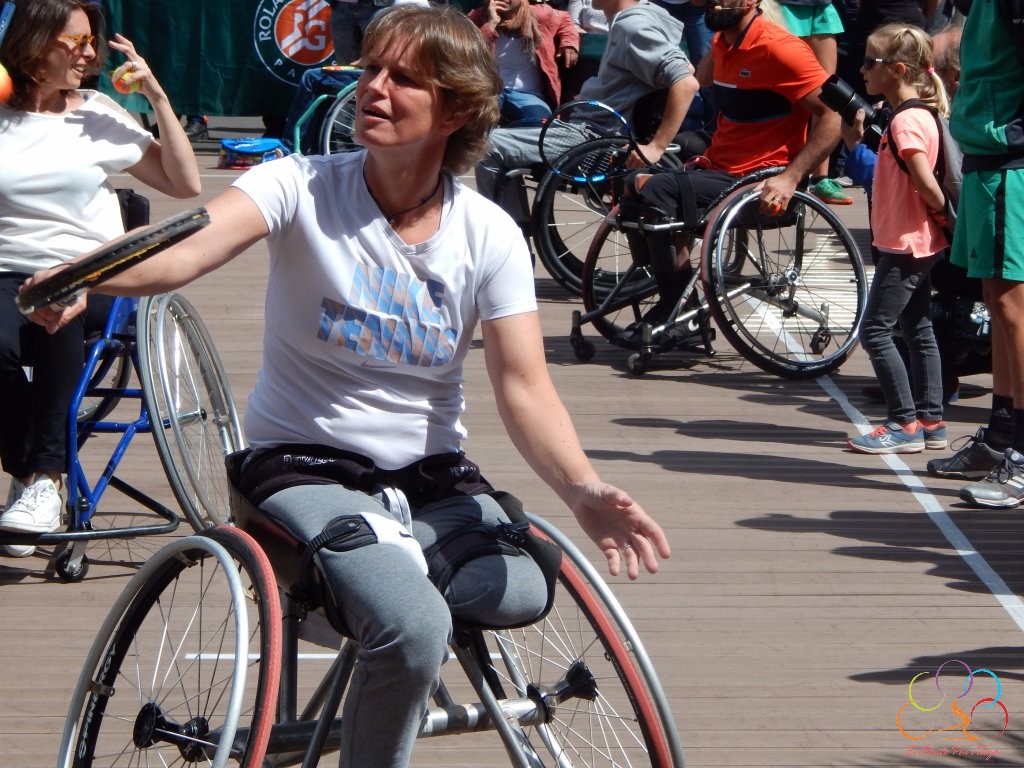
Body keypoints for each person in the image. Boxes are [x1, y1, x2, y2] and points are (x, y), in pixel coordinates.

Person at [23, 6, 671, 765]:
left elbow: (525, 387)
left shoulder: (488, 232)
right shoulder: (298, 184)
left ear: (455, 109)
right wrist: (89, 273)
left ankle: (386, 597)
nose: (374, 89)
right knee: (415, 626)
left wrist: (584, 489)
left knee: (524, 589)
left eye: (404, 79)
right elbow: (188, 244)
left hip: (428, 479)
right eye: (370, 70)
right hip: (300, 467)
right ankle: (388, 613)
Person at [0, 0, 201, 558]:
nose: (89, 53)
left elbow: (184, 185)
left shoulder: (96, 111)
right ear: (34, 43)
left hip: (88, 275)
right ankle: (23, 466)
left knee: (58, 309)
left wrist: (156, 96)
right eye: (77, 41)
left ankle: (47, 480)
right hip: (4, 271)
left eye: (91, 41)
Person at [624, 0, 842, 328]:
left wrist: (791, 177)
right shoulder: (722, 42)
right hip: (721, 168)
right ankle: (677, 298)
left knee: (657, 189)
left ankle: (675, 310)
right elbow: (701, 77)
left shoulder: (780, 49)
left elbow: (833, 116)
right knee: (630, 181)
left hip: (758, 181)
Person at [928, 0, 1024, 506]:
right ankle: (1002, 436)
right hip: (989, 160)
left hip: (1011, 160)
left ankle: (1022, 455)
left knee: (1014, 310)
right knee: (996, 300)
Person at [474, 0, 699, 205]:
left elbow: (686, 82)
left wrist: (656, 147)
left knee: (487, 146)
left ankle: (509, 241)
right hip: (590, 127)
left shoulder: (632, 27)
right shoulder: (639, 20)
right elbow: (686, 67)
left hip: (592, 136)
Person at [843, 24, 950, 454]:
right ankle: (931, 419)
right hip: (915, 241)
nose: (862, 69)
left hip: (906, 244)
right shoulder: (919, 114)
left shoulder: (906, 121)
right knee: (917, 327)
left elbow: (923, 181)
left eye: (871, 62)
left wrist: (942, 211)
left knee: (875, 332)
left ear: (898, 70)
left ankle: (903, 423)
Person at [773, 0, 852, 204]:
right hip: (780, 7)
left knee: (828, 91)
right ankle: (782, 168)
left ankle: (820, 178)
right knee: (785, 89)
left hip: (820, 6)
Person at [468, 0, 580, 126]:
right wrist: (490, 25)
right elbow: (468, 53)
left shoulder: (539, 14)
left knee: (541, 127)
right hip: (490, 91)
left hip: (528, 93)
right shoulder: (477, 17)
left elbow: (564, 19)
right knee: (474, 125)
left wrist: (569, 42)